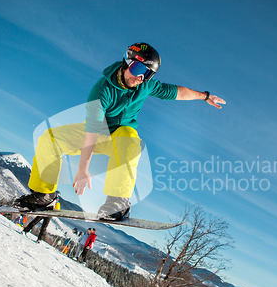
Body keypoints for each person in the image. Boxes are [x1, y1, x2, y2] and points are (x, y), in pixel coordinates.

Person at [13, 42, 226, 220]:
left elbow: (177, 92)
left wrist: (205, 96)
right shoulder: (102, 91)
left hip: (120, 135)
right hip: (96, 133)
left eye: (147, 74)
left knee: (129, 137)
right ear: (127, 62)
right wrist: (83, 168)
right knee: (50, 138)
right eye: (137, 70)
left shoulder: (145, 86)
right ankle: (44, 194)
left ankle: (117, 201)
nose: (140, 78)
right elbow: (93, 129)